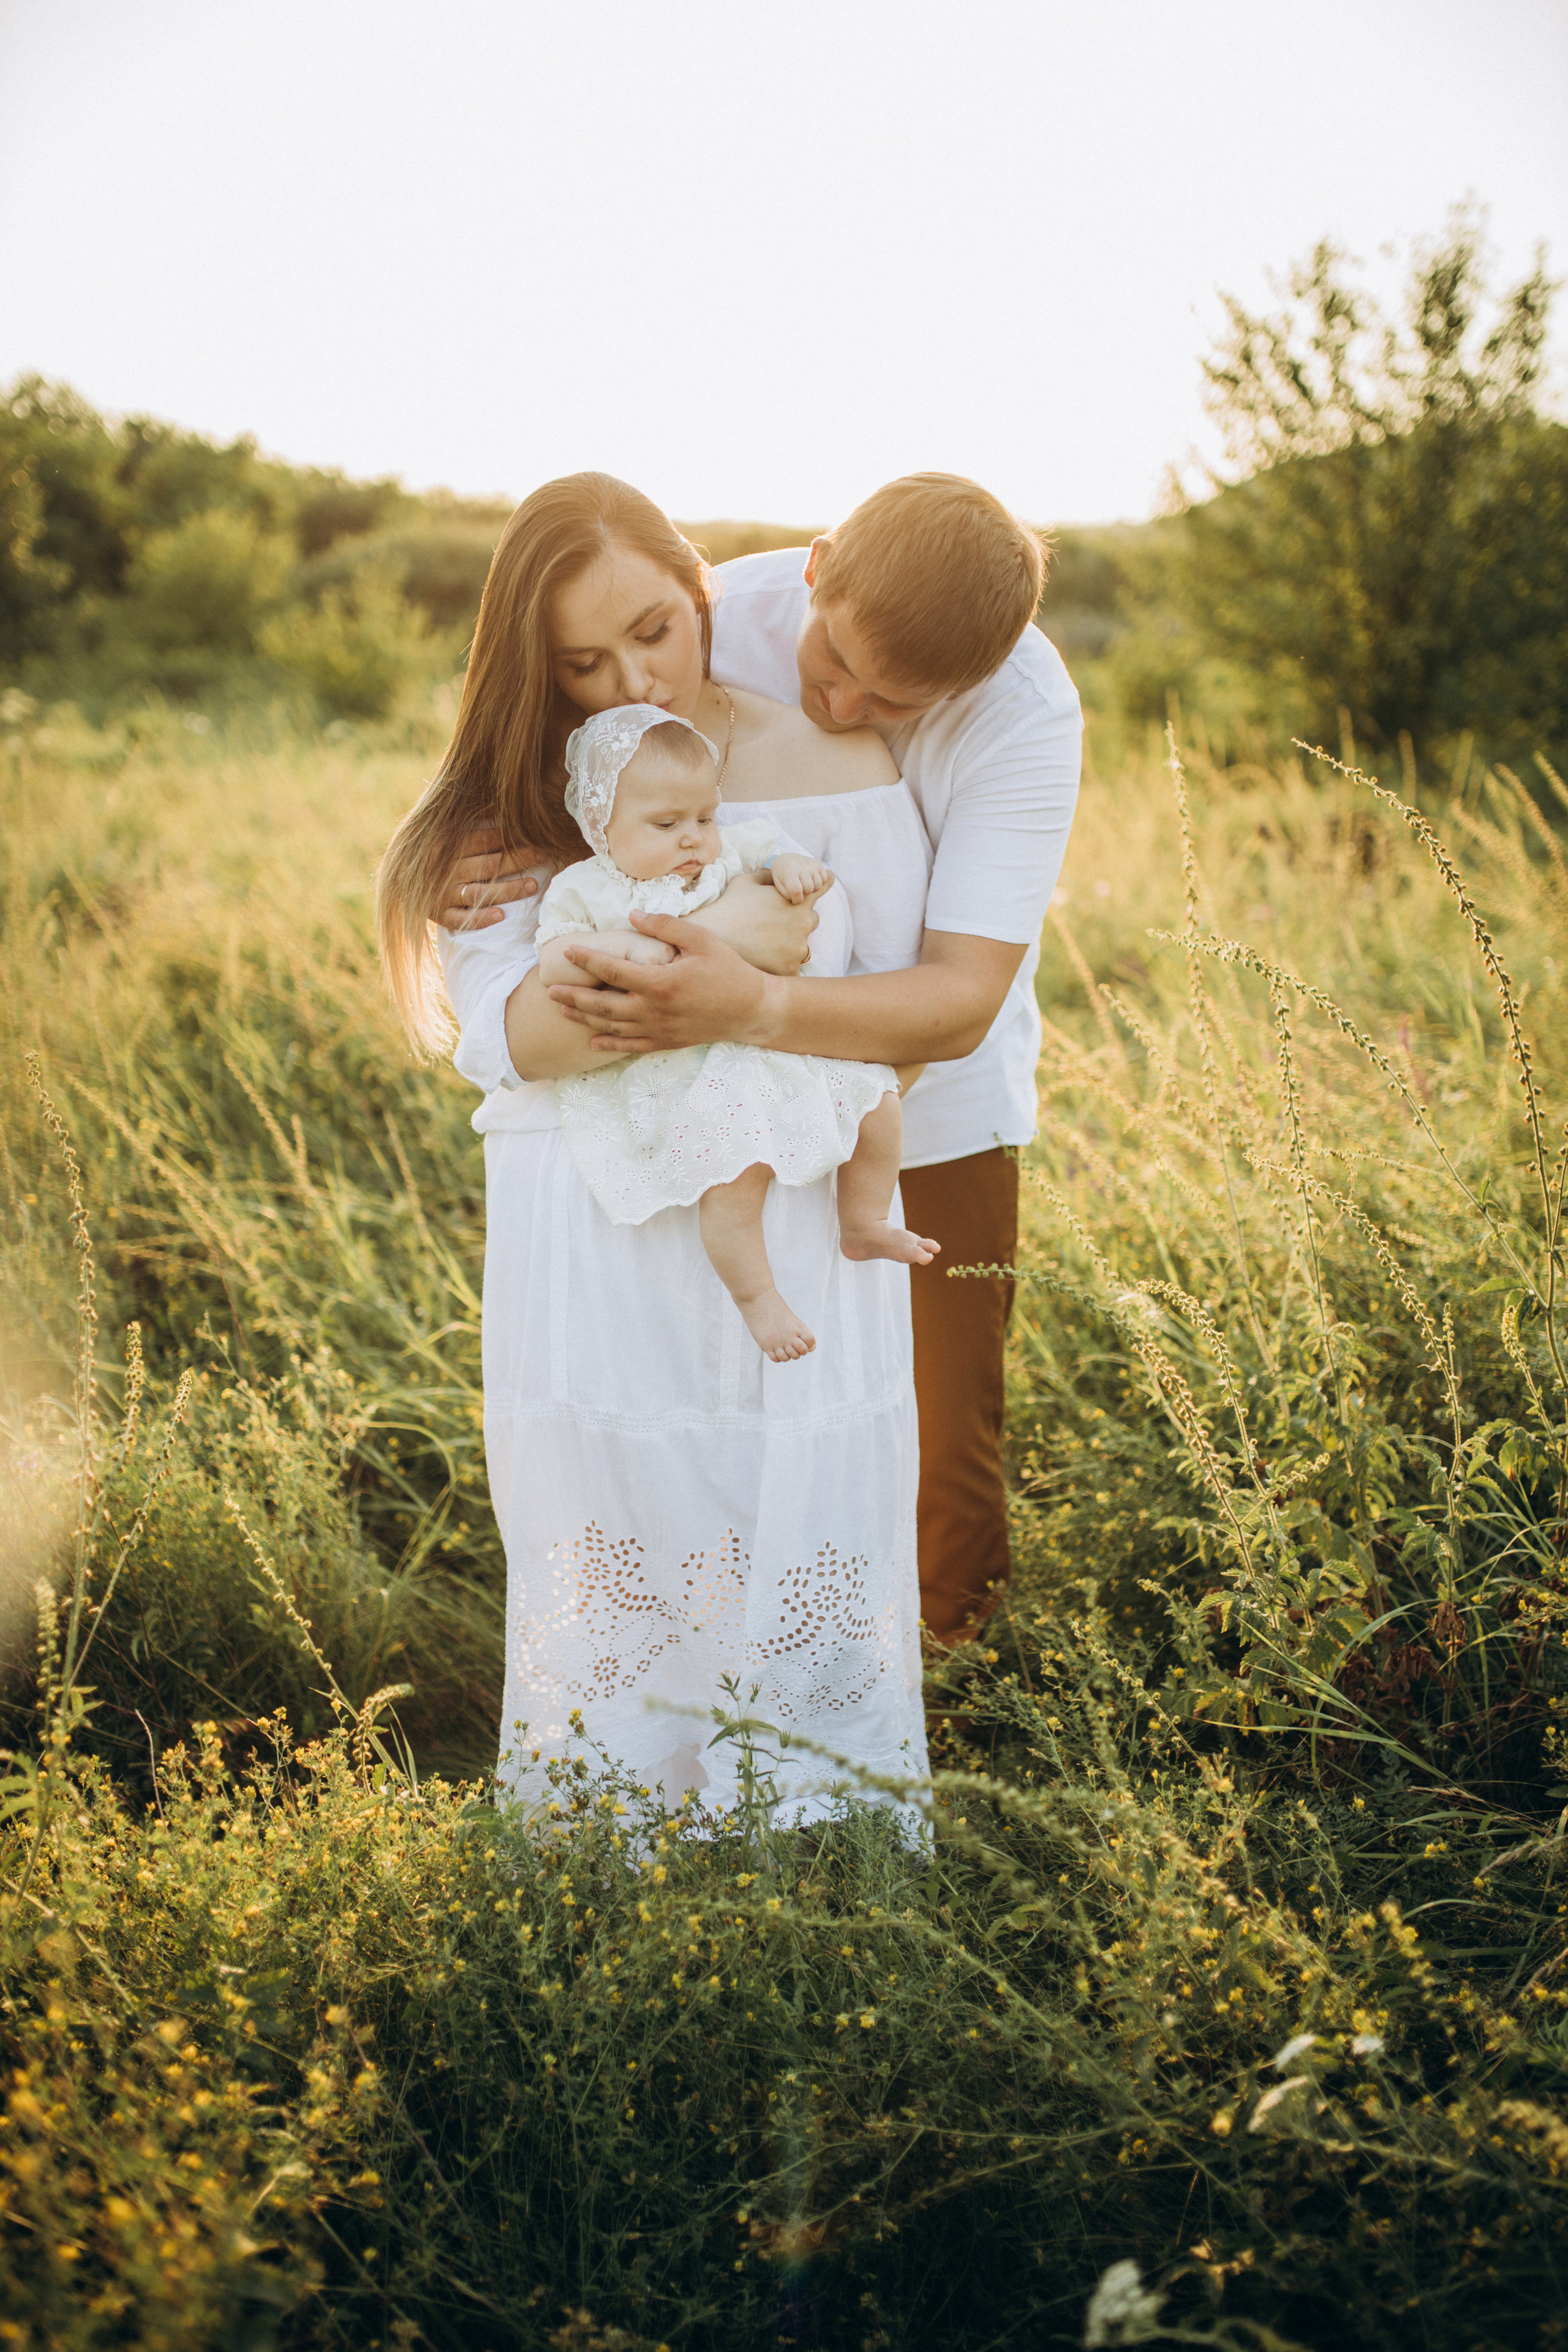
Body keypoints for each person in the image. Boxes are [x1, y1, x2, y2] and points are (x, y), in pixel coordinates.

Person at [378, 472, 935, 1820]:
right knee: (631, 1515)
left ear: (702, 597)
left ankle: (812, 1854)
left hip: (788, 1198)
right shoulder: (514, 821)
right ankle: (619, 1852)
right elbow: (526, 1036)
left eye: (652, 630)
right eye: (582, 662)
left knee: (793, 1499)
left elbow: (894, 994)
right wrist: (732, 950)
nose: (634, 674)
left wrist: (747, 982)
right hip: (603, 1221)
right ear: (537, 674)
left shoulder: (829, 762)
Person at [443, 474, 1082, 1642]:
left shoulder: (1024, 713)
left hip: (927, 1111)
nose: (836, 698)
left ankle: (943, 1710)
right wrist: (475, 838)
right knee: (726, 1431)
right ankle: (722, 1688)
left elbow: (955, 999)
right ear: (817, 567)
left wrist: (742, 1003)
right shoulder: (690, 611)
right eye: (831, 656)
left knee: (938, 1446)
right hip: (706, 1112)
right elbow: (550, 727)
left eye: (891, 699)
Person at [537, 703, 937, 1363]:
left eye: (703, 817)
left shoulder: (730, 852)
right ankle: (757, 1299)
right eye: (666, 824)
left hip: (767, 1045)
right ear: (600, 828)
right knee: (736, 1175)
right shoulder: (588, 890)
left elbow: (774, 849)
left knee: (878, 1099)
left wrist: (788, 866)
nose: (694, 837)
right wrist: (624, 948)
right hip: (688, 1068)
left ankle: (863, 1221)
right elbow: (554, 956)